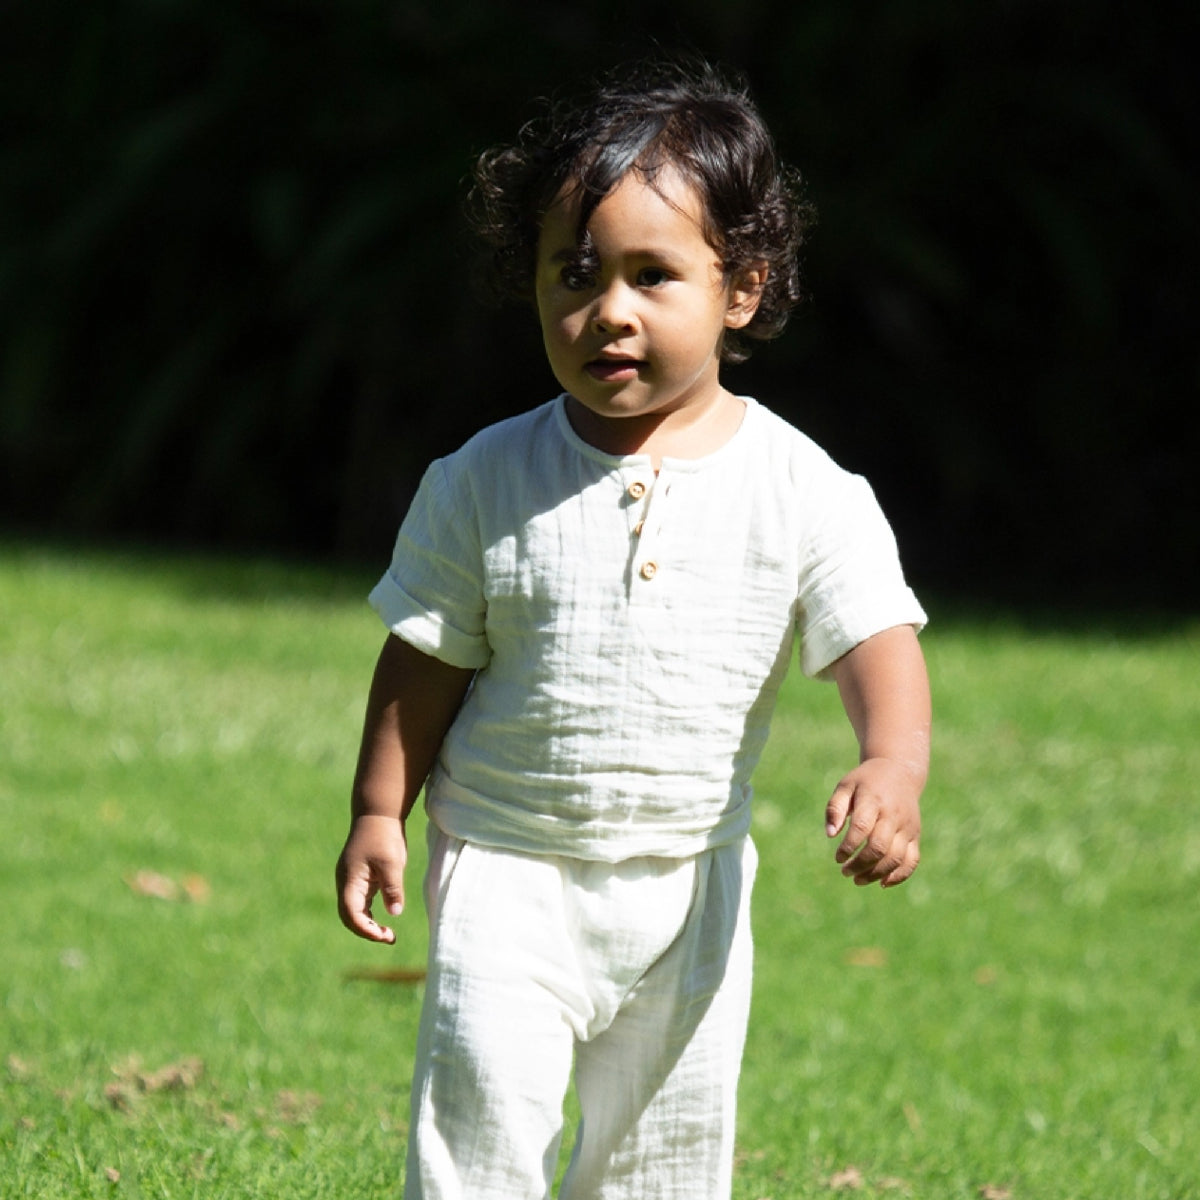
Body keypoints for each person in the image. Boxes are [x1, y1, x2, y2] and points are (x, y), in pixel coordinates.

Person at [336, 56, 931, 1200]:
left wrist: (890, 766)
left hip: (688, 883)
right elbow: (423, 657)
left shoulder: (801, 487)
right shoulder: (484, 478)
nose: (608, 308)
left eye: (654, 275)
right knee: (477, 1143)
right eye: (575, 273)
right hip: (506, 870)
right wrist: (378, 810)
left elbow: (875, 638)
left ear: (742, 288)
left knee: (661, 1163)